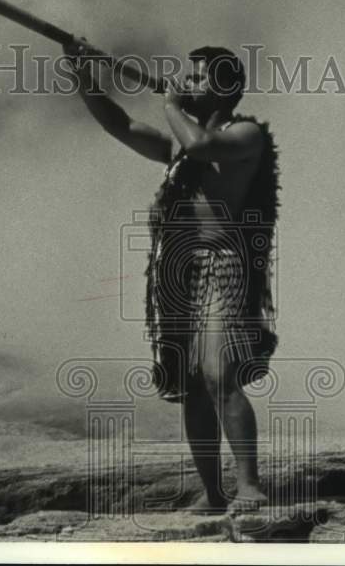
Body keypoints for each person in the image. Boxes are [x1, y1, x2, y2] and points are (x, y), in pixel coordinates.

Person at [63, 39, 280, 514]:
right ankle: (214, 492)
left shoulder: (246, 135)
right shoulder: (179, 150)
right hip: (179, 271)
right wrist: (83, 75)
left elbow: (202, 145)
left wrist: (169, 104)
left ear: (225, 89)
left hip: (225, 263)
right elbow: (119, 124)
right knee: (193, 383)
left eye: (199, 77)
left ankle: (249, 485)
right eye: (188, 75)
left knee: (220, 372)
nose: (187, 82)